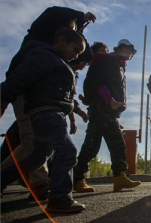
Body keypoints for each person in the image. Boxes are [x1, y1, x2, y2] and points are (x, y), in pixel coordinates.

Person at [1, 28, 87, 212]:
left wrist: (77, 111)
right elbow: (20, 77)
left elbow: (66, 97)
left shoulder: (60, 63)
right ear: (61, 41)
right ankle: (60, 200)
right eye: (75, 50)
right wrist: (3, 99)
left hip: (51, 114)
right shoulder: (45, 56)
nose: (76, 56)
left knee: (36, 158)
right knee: (68, 151)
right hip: (47, 113)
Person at [73, 39, 141, 193]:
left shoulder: (116, 64)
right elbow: (96, 83)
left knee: (106, 144)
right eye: (126, 49)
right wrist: (108, 100)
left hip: (108, 112)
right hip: (102, 109)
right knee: (101, 145)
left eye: (131, 51)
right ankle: (79, 178)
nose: (129, 52)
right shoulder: (107, 62)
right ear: (118, 49)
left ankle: (118, 177)